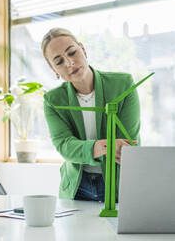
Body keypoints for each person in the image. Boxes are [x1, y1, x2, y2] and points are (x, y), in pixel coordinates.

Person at [42, 28, 140, 201]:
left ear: (83, 49)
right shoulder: (53, 100)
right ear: (53, 69)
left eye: (72, 52)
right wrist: (100, 146)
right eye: (59, 62)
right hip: (77, 187)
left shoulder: (123, 84)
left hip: (118, 184)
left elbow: (126, 144)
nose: (69, 63)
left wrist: (85, 148)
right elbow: (64, 145)